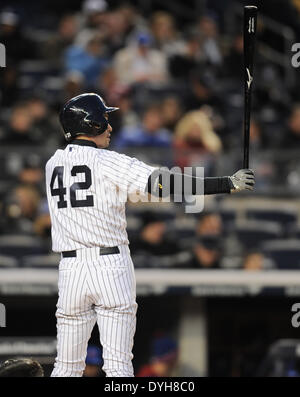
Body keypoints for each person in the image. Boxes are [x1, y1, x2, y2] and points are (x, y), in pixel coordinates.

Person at [45, 92, 255, 377]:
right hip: (109, 265)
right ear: (90, 123)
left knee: (65, 367)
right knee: (119, 367)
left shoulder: (52, 164)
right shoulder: (107, 162)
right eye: (104, 120)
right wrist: (226, 183)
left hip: (69, 269)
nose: (109, 126)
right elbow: (163, 183)